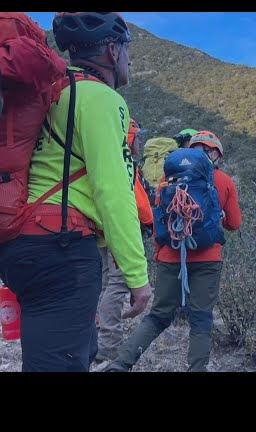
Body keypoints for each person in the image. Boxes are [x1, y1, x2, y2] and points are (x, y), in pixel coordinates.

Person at [0, 12, 151, 371]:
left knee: (69, 353)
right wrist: (137, 276)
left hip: (22, 244)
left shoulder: (53, 90)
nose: (128, 59)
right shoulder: (99, 97)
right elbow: (113, 190)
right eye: (127, 50)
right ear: (113, 52)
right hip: (62, 248)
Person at [107, 130, 242, 372]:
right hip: (207, 260)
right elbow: (234, 223)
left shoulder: (166, 181)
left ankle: (121, 363)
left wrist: (160, 253)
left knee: (158, 316)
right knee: (201, 318)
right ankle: (197, 369)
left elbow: (160, 219)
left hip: (170, 257)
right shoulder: (224, 181)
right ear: (216, 155)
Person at [95, 118, 153, 362]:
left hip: (101, 230)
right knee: (117, 285)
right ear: (129, 140)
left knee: (106, 281)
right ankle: (108, 345)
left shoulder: (105, 161)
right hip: (118, 231)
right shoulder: (125, 165)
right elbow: (138, 205)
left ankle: (99, 333)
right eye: (136, 137)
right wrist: (148, 223)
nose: (139, 142)